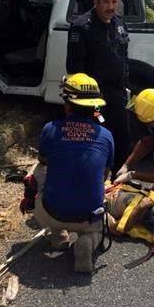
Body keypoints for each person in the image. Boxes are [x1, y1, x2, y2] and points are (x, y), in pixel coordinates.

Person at [34, 73, 114, 273]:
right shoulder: (106, 135)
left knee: (40, 171)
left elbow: (43, 161)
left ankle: (58, 235)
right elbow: (104, 174)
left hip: (52, 211)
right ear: (95, 105)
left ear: (67, 104)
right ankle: (87, 241)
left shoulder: (50, 129)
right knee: (99, 227)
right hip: (88, 216)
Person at [66, 0, 130, 179]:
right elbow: (75, 68)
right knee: (95, 137)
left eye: (114, 2)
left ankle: (116, 183)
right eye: (106, 2)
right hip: (94, 97)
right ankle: (92, 180)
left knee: (122, 139)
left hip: (117, 94)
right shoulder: (82, 26)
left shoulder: (118, 23)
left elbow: (123, 55)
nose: (111, 7)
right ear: (95, 2)